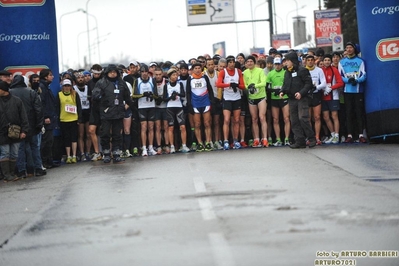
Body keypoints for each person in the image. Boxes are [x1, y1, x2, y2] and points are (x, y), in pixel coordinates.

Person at [92, 64, 134, 163]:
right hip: (106, 112)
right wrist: (100, 97)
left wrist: (127, 105)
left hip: (118, 112)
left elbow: (128, 97)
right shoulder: (102, 82)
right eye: (111, 72)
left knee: (117, 134)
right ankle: (106, 153)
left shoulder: (121, 83)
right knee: (105, 133)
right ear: (107, 73)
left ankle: (116, 153)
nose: (112, 73)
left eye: (114, 72)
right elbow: (94, 96)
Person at [10, 75, 45, 178]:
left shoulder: (11, 93)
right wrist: (39, 124)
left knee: (20, 149)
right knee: (35, 147)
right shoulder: (31, 92)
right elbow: (38, 110)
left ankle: (21, 171)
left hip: (17, 126)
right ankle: (38, 168)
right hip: (32, 125)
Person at [280, 52, 316, 149]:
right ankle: (300, 141)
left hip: (302, 98)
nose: (286, 63)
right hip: (292, 99)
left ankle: (312, 138)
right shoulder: (287, 72)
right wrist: (282, 91)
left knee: (302, 118)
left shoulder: (302, 70)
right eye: (285, 61)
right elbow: (285, 84)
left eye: (287, 60)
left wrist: (301, 93)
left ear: (293, 61)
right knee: (294, 120)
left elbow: (308, 84)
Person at [0, 81, 29, 182]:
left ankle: (11, 173)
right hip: (2, 133)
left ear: (3, 90)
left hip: (15, 131)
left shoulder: (17, 101)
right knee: (5, 153)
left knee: (14, 154)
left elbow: (23, 117)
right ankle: (7, 175)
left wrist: (24, 130)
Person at [338, 42, 367, 143]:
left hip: (358, 90)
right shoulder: (342, 62)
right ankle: (349, 135)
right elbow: (340, 75)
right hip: (347, 91)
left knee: (359, 112)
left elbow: (364, 74)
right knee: (348, 113)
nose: (349, 49)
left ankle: (360, 134)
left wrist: (357, 80)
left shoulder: (360, 61)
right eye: (347, 48)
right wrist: (348, 80)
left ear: (354, 49)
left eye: (351, 47)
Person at [216, 57, 246, 150]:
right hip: (227, 98)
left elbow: (243, 86)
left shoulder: (238, 71)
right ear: (227, 64)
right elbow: (218, 84)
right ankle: (225, 141)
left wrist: (237, 85)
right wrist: (229, 84)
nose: (232, 64)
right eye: (230, 62)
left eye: (233, 62)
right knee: (227, 120)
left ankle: (236, 140)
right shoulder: (223, 72)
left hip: (236, 98)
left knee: (236, 120)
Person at [186, 63, 215, 152]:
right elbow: (188, 92)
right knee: (197, 124)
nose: (198, 70)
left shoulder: (204, 77)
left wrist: (212, 101)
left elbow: (210, 90)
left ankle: (208, 142)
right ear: (193, 69)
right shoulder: (190, 78)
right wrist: (189, 104)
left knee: (207, 123)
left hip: (205, 102)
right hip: (195, 103)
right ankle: (200, 143)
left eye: (199, 68)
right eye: (196, 68)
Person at [132, 64, 158, 156]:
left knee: (151, 127)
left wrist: (151, 95)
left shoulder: (152, 80)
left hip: (151, 106)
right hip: (141, 107)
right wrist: (143, 95)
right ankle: (144, 148)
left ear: (148, 72)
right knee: (144, 127)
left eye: (146, 72)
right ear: (140, 73)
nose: (144, 74)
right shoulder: (137, 81)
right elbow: (134, 95)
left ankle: (150, 147)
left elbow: (156, 95)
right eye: (142, 72)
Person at [243, 55, 269, 147]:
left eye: (251, 61)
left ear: (254, 62)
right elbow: (244, 84)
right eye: (248, 62)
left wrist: (254, 85)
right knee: (254, 119)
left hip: (261, 96)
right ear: (245, 63)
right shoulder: (245, 72)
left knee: (262, 117)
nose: (249, 63)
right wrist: (248, 87)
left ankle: (265, 139)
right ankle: (256, 139)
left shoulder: (260, 71)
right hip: (252, 97)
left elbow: (264, 82)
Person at [163, 68, 190, 153]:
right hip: (170, 107)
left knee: (182, 127)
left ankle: (184, 145)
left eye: (176, 75)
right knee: (171, 128)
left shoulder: (180, 84)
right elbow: (164, 98)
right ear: (170, 76)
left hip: (179, 107)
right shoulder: (166, 86)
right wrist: (171, 97)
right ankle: (172, 146)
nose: (175, 77)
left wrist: (177, 94)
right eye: (173, 75)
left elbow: (183, 94)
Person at [56, 79, 82, 164]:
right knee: (66, 138)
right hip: (63, 119)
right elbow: (57, 107)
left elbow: (78, 106)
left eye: (68, 86)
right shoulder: (59, 95)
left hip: (73, 119)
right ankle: (68, 155)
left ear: (71, 86)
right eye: (65, 86)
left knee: (74, 137)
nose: (67, 87)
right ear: (62, 87)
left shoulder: (75, 94)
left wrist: (79, 119)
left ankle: (74, 155)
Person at [266, 57, 290, 146]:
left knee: (286, 118)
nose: (277, 66)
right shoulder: (270, 74)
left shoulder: (286, 73)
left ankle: (287, 138)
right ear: (273, 65)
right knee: (275, 119)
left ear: (282, 64)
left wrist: (282, 91)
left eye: (279, 64)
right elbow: (267, 87)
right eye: (276, 64)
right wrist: (273, 91)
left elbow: (288, 85)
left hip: (284, 97)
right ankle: (278, 139)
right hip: (274, 98)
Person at [321, 54, 344, 144]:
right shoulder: (320, 70)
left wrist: (331, 88)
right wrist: (323, 88)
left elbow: (340, 83)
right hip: (323, 97)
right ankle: (333, 134)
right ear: (322, 61)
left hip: (333, 96)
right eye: (325, 60)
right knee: (326, 117)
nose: (327, 62)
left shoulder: (334, 70)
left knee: (334, 116)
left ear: (330, 61)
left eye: (328, 60)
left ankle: (337, 135)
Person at [305, 54, 327, 145]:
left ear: (314, 61)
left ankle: (317, 137)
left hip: (316, 94)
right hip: (306, 96)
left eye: (311, 60)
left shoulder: (319, 70)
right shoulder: (303, 70)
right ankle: (310, 137)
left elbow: (324, 83)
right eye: (308, 60)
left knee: (317, 117)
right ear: (305, 61)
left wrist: (316, 87)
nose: (310, 61)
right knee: (308, 118)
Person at [39, 68, 58, 169]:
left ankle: (49, 160)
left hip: (51, 117)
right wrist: (45, 116)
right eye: (50, 75)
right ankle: (45, 161)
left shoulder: (47, 87)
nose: (53, 76)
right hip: (47, 119)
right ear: (45, 76)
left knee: (50, 141)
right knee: (46, 141)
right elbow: (42, 104)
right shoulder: (42, 87)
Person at [204, 58, 223, 150]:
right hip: (207, 100)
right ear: (206, 65)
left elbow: (221, 87)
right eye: (209, 64)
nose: (211, 66)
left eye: (212, 64)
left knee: (216, 122)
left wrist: (219, 98)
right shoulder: (203, 75)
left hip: (217, 100)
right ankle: (209, 141)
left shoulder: (219, 74)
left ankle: (216, 141)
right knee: (208, 123)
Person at [74, 72, 92, 161]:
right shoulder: (74, 89)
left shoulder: (88, 88)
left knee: (89, 134)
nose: (80, 79)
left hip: (88, 111)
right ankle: (82, 153)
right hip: (79, 112)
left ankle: (88, 152)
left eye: (82, 77)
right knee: (80, 134)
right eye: (78, 77)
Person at [87, 64, 103, 161]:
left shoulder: (105, 82)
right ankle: (97, 152)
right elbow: (89, 97)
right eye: (95, 72)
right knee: (91, 130)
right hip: (94, 109)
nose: (96, 74)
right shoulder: (89, 83)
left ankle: (107, 151)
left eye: (98, 72)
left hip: (104, 109)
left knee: (106, 132)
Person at [154, 67, 169, 154]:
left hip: (165, 107)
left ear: (162, 74)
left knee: (166, 126)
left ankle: (167, 145)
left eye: (160, 74)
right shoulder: (152, 82)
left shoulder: (166, 81)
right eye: (156, 75)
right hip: (156, 107)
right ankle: (159, 146)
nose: (158, 76)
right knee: (158, 127)